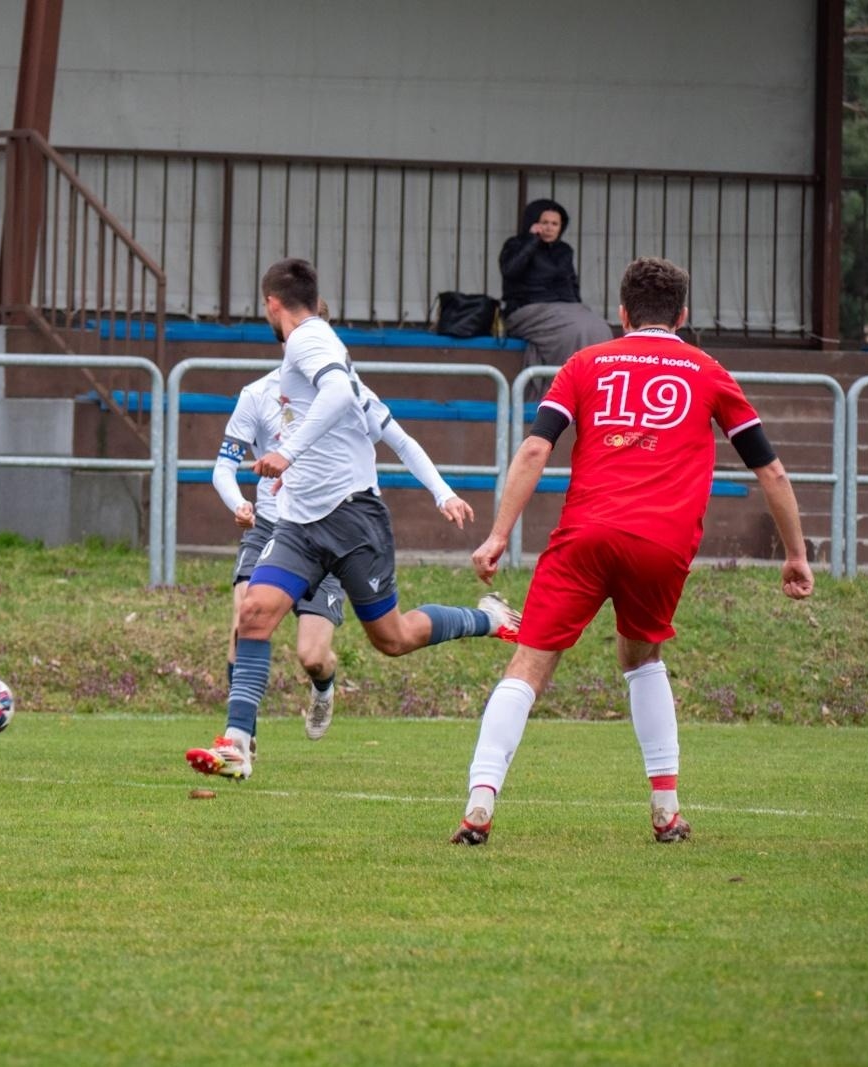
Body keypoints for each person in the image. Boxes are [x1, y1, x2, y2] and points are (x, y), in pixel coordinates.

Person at [451, 257, 813, 846]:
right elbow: (769, 469)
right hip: (662, 545)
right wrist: (795, 554)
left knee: (530, 664)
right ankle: (666, 811)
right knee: (642, 659)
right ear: (683, 315)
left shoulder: (585, 363)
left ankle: (480, 800)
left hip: (585, 537)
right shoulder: (708, 371)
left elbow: (534, 453)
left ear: (621, 315)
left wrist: (496, 536)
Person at [186, 258, 520, 781]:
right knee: (254, 613)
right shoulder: (312, 362)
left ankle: (489, 619)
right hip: (297, 525)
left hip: (352, 519)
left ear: (272, 304)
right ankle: (237, 742)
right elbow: (372, 417)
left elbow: (345, 396)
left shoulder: (307, 340)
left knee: (393, 638)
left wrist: (289, 453)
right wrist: (442, 493)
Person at [213, 364, 476, 743]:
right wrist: (239, 504)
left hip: (334, 532)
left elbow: (400, 441)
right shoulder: (257, 394)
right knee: (247, 614)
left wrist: (443, 492)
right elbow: (223, 466)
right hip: (273, 528)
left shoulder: (350, 392)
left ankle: (323, 684)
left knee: (314, 656)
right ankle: (240, 740)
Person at [499, 198, 614, 387]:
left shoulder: (564, 250)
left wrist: (579, 309)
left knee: (599, 328)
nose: (550, 228)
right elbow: (510, 270)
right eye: (545, 223)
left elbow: (572, 284)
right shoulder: (516, 244)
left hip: (565, 309)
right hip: (527, 309)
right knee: (576, 330)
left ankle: (592, 388)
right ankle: (563, 388)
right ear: (534, 223)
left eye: (555, 224)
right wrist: (531, 241)